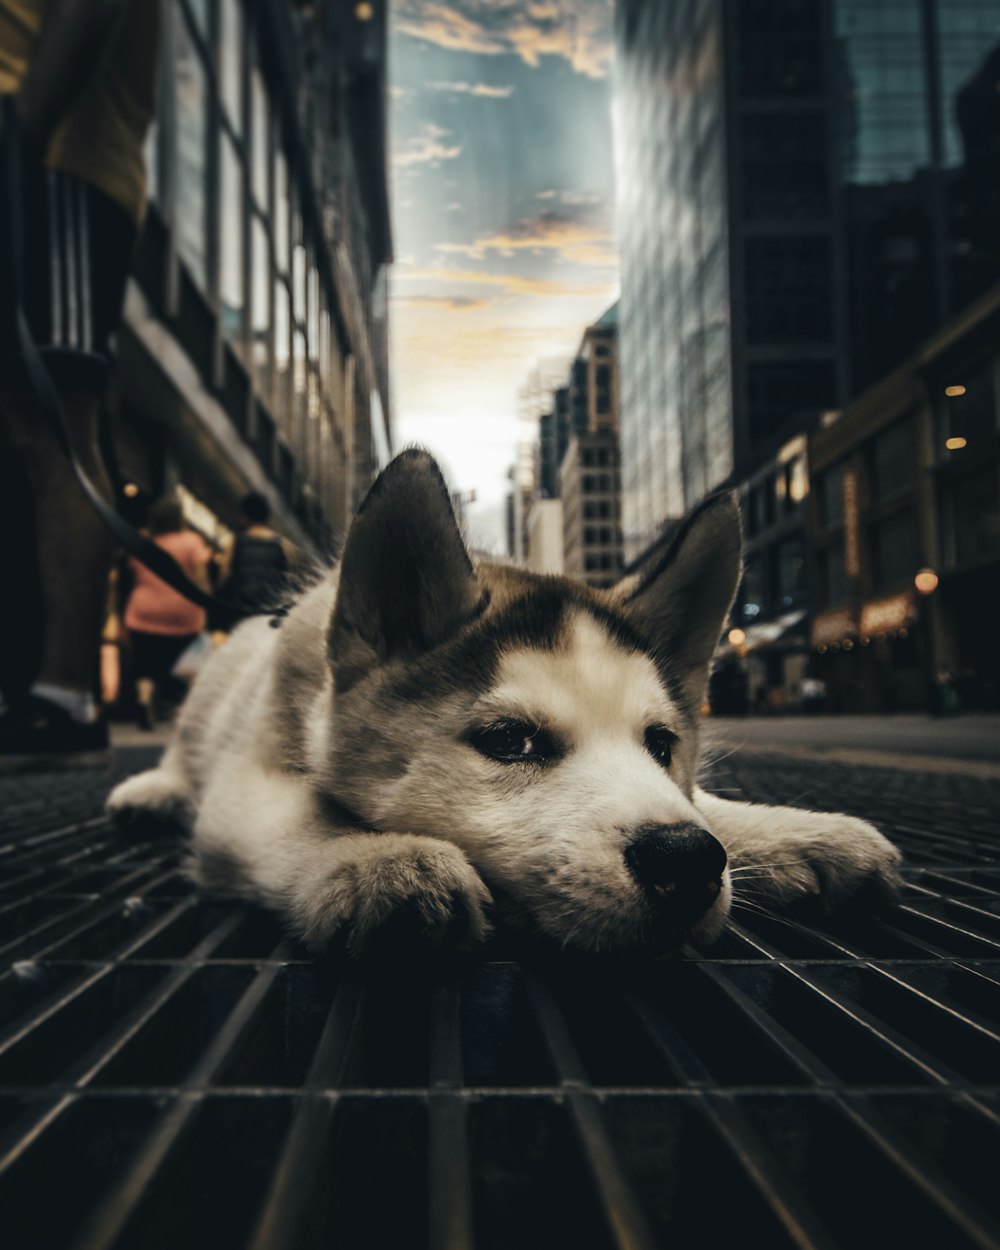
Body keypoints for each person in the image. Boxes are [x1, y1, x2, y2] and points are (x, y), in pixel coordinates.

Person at [0, 0, 162, 761]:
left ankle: (64, 693)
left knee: (52, 419)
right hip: (38, 148)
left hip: (61, 154)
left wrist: (19, 132)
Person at [123, 496, 210, 730]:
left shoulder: (143, 541)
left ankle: (143, 701)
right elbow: (200, 577)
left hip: (144, 610)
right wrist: (206, 602)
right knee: (183, 665)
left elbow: (130, 573)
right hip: (183, 611)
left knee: (145, 665)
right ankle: (180, 712)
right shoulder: (192, 542)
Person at [218, 491, 291, 627]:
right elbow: (288, 577)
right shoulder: (281, 544)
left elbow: (224, 574)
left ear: (245, 515)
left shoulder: (236, 541)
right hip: (268, 609)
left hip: (241, 609)